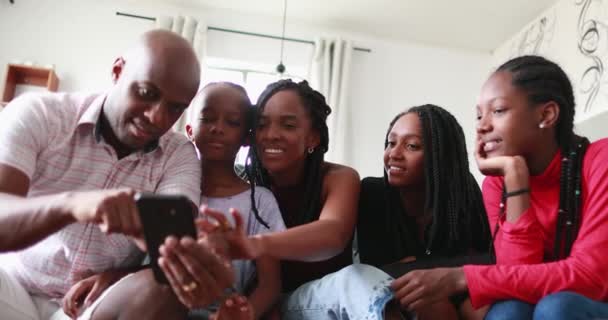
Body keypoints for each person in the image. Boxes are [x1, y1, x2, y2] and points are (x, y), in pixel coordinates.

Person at [0, 30, 233, 320]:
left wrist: (200, 262)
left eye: (175, 108)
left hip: (91, 306)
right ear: (117, 71)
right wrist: (74, 205)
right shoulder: (40, 113)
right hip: (11, 287)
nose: (158, 118)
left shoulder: (179, 155)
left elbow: (175, 244)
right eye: (147, 94)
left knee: (166, 287)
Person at [388, 55, 608, 320]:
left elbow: (590, 278)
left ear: (546, 115)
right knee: (508, 311)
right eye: (479, 115)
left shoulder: (600, 160)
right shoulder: (497, 182)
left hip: (590, 301)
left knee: (558, 308)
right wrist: (515, 180)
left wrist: (462, 277)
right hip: (552, 300)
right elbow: (515, 278)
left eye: (498, 110)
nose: (481, 126)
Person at [189, 79, 360, 318]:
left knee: (359, 280)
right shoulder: (246, 188)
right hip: (264, 303)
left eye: (288, 125)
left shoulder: (338, 177)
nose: (271, 135)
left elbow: (333, 233)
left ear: (313, 137)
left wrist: (254, 244)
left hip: (323, 299)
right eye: (261, 125)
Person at [357, 104, 491, 319]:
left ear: (440, 156)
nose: (394, 153)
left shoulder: (462, 191)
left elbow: (490, 261)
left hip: (458, 288)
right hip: (400, 296)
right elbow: (376, 272)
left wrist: (416, 264)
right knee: (430, 303)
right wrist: (450, 264)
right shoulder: (372, 193)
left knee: (480, 309)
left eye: (411, 146)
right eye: (391, 143)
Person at [181, 82, 285, 319]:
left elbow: (270, 286)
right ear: (189, 130)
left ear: (247, 138)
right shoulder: (171, 189)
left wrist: (243, 315)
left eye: (232, 122)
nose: (218, 128)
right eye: (207, 119)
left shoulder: (260, 201)